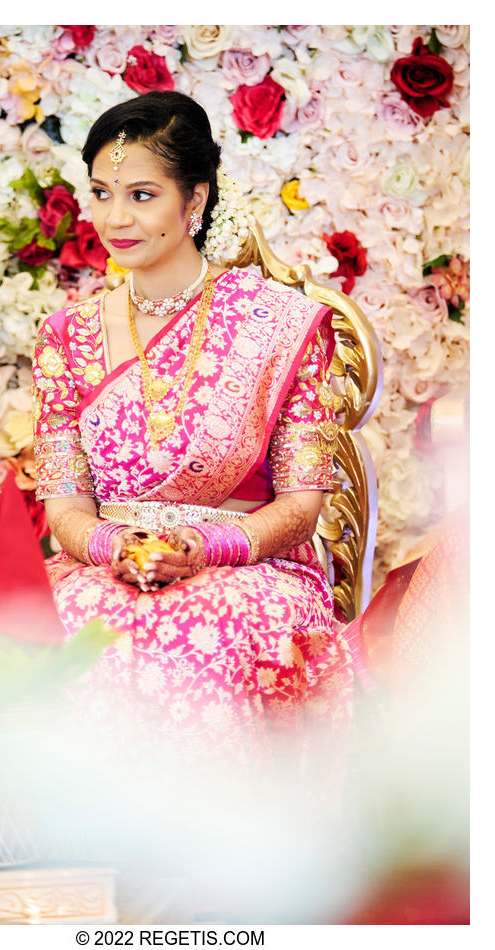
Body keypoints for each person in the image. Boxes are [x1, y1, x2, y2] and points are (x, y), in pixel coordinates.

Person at [31, 91, 355, 760]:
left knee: (213, 627)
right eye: (100, 192)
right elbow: (62, 500)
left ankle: (230, 852)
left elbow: (301, 507)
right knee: (67, 629)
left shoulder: (276, 323)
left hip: (249, 565)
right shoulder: (67, 334)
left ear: (195, 200)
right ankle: (87, 856)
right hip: (104, 564)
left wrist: (206, 548)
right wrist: (111, 547)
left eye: (141, 195)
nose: (114, 218)